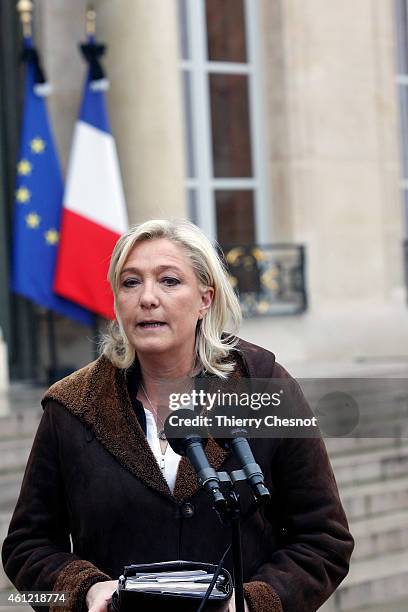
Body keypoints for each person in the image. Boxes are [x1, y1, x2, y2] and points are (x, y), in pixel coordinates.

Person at [2, 219, 354, 612]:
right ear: (116, 300)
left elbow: (324, 539)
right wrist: (86, 589)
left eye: (169, 281)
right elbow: (27, 546)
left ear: (205, 298)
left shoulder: (264, 386)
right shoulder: (72, 405)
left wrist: (251, 604)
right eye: (130, 282)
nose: (147, 298)